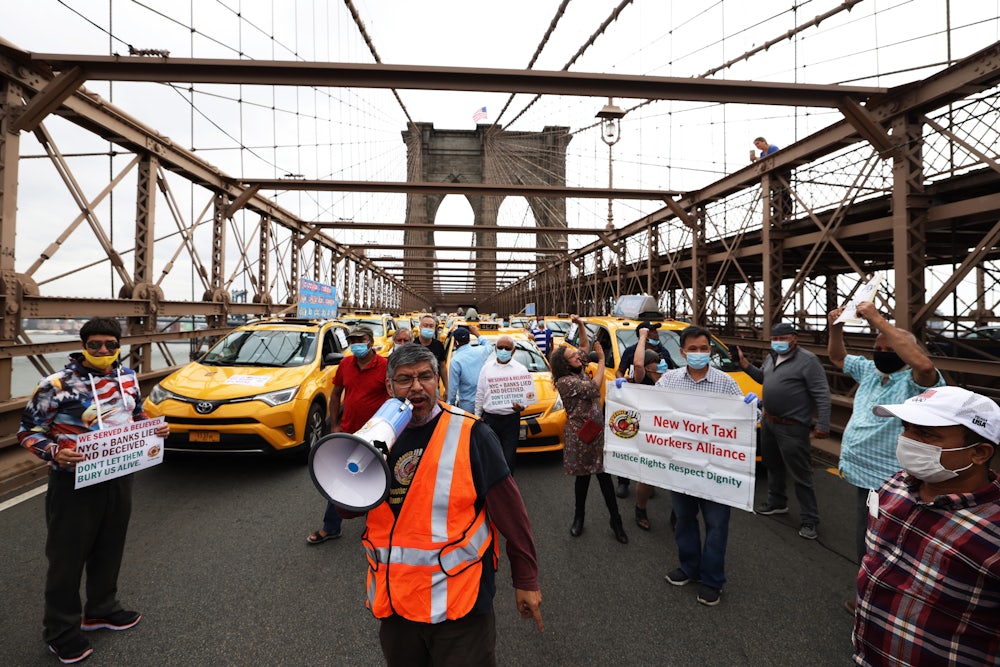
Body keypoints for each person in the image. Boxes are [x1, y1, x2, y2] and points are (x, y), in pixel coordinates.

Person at [341, 344, 543, 665]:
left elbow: (512, 515)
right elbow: (347, 509)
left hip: (459, 607)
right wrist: (347, 474)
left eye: (425, 376)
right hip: (396, 604)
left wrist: (526, 580)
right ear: (390, 386)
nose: (417, 386)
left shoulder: (472, 433)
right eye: (405, 379)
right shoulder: (375, 434)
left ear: (439, 381)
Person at [18, 317, 171, 665]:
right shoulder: (56, 384)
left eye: (110, 345)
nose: (103, 350)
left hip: (119, 474)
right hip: (73, 482)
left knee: (109, 546)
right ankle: (61, 631)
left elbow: (136, 415)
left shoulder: (127, 377)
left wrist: (154, 429)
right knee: (66, 560)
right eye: (96, 344)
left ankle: (101, 609)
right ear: (84, 345)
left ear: (119, 346)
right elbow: (27, 430)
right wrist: (55, 451)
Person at [854, 386, 1000, 665]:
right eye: (906, 428)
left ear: (979, 453)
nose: (907, 440)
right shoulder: (895, 485)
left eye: (926, 434)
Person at [827, 301, 944, 568]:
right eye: (878, 348)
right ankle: (869, 585)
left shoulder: (915, 383)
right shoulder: (870, 370)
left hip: (893, 479)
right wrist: (835, 329)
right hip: (862, 471)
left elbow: (925, 367)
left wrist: (876, 319)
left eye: (891, 349)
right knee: (867, 533)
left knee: (886, 539)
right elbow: (837, 357)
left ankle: (877, 594)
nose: (883, 353)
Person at [653, 326, 750, 607]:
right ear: (682, 352)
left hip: (716, 469)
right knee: (684, 519)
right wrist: (626, 393)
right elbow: (648, 408)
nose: (698, 354)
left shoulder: (726, 382)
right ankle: (689, 568)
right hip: (681, 466)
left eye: (704, 348)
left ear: (711, 350)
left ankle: (712, 580)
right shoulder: (669, 380)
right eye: (692, 349)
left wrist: (752, 408)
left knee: (716, 524)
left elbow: (745, 421)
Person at [737, 322, 830, 540]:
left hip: (792, 426)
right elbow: (763, 378)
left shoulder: (808, 361)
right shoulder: (772, 358)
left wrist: (823, 424)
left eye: (783, 338)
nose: (778, 342)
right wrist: (744, 364)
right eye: (775, 339)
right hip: (769, 421)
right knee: (772, 464)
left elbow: (822, 394)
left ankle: (810, 519)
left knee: (801, 474)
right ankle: (777, 502)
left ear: (794, 339)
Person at [551, 314, 628, 544]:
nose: (578, 355)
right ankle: (579, 517)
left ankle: (616, 521)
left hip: (596, 431)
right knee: (583, 480)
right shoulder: (566, 382)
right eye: (573, 356)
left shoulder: (577, 368)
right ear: (565, 364)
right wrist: (602, 359)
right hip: (580, 436)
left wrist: (581, 326)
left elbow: (583, 345)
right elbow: (594, 388)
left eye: (576, 355)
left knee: (604, 477)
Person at [307, 326, 387, 545]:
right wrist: (334, 425)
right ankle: (330, 527)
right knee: (340, 479)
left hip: (378, 436)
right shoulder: (345, 364)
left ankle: (380, 528)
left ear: (370, 341)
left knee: (380, 479)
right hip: (349, 433)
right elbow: (335, 395)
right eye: (352, 340)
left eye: (360, 340)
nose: (356, 344)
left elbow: (393, 400)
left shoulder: (385, 366)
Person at [615, 321, 674, 498]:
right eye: (653, 331)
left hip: (656, 404)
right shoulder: (630, 351)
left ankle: (648, 482)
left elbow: (672, 373)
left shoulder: (663, 352)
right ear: (644, 334)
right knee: (628, 441)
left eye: (656, 331)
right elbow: (620, 371)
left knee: (650, 445)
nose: (657, 335)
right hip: (634, 402)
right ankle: (623, 481)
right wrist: (623, 382)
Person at [620, 327, 668, 530]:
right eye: (656, 363)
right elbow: (636, 365)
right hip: (646, 429)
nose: (661, 364)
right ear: (648, 367)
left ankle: (678, 517)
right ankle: (640, 508)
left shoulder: (670, 379)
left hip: (666, 431)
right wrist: (642, 338)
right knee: (646, 475)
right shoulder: (643, 379)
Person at [475, 334, 528, 474]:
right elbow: (480, 394)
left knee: (508, 458)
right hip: (489, 419)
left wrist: (522, 406)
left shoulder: (521, 370)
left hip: (510, 420)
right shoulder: (486, 368)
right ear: (495, 348)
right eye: (500, 347)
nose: (503, 350)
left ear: (513, 350)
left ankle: (507, 491)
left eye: (507, 348)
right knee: (489, 457)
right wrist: (476, 416)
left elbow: (527, 397)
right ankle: (490, 491)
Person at [447, 327, 489, 414]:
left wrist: (450, 405)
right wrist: (477, 334)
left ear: (455, 342)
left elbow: (453, 387)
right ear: (469, 339)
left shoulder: (455, 360)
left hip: (468, 405)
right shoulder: (481, 351)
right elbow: (488, 344)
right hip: (484, 401)